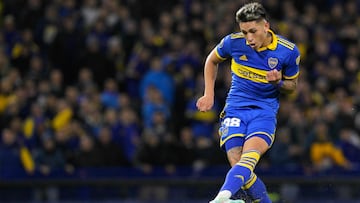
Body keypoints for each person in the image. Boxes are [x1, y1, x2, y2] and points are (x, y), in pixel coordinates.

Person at [196, 2, 300, 203]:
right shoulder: (233, 43)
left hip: (264, 112)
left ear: (266, 26)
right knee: (238, 164)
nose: (249, 38)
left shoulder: (288, 51)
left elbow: (293, 85)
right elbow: (211, 60)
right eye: (244, 32)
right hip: (234, 110)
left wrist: (279, 82)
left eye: (253, 31)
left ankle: (221, 198)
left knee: (247, 160)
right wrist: (208, 94)